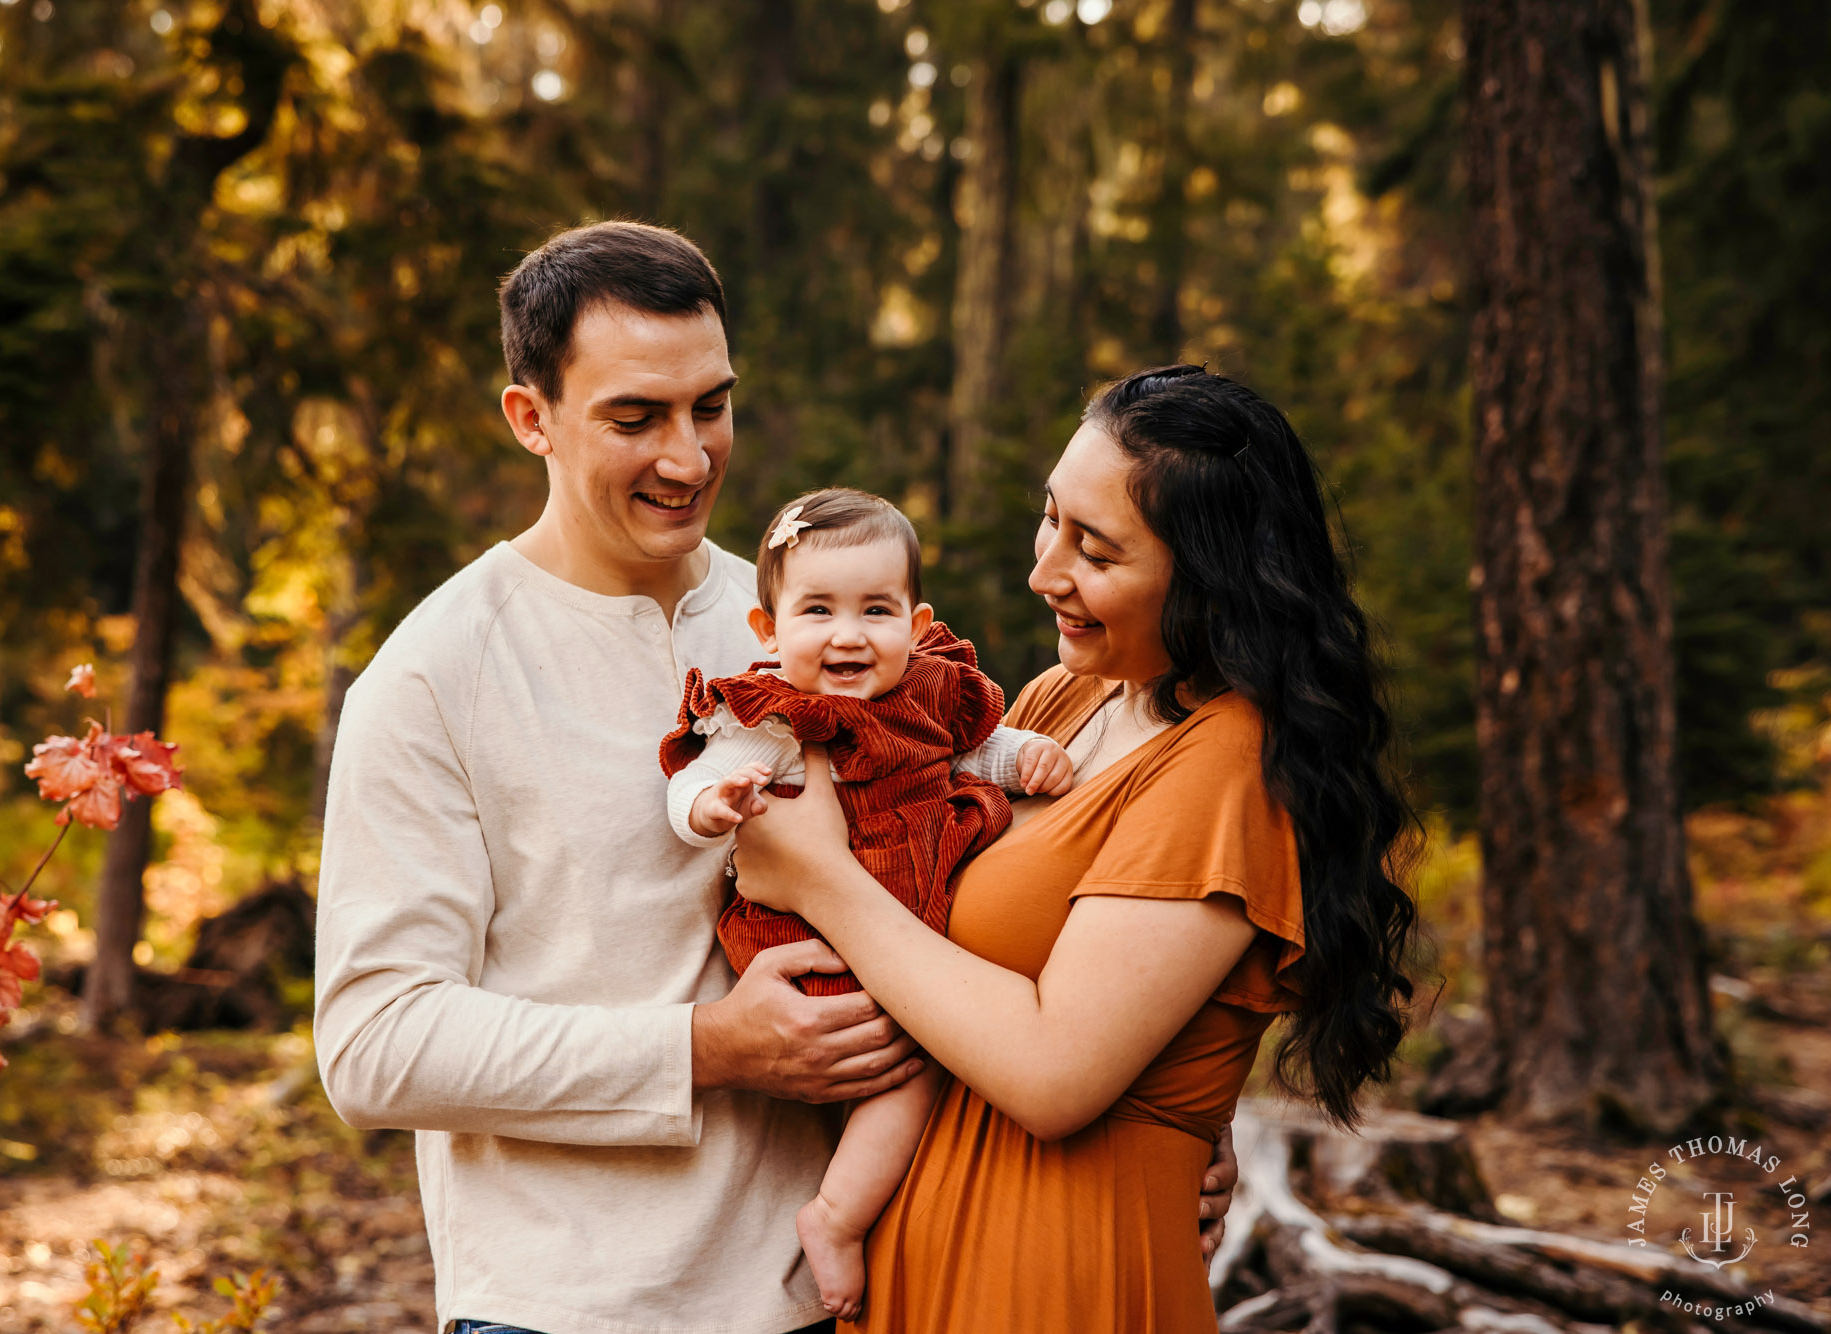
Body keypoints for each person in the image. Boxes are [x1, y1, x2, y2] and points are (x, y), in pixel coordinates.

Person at [313, 222, 1237, 1334]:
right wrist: (708, 1049)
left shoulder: (817, 619)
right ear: (530, 420)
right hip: (571, 1306)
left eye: (710, 405)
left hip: (834, 1293)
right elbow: (374, 1044)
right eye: (634, 417)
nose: (688, 458)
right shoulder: (431, 678)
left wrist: (1170, 1111)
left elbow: (997, 883)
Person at [732, 366, 1421, 1332]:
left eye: (1095, 551)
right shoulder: (1074, 695)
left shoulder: (1231, 765)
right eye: (1051, 519)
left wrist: (818, 879)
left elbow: (1056, 1075)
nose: (1045, 571)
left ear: (1209, 577)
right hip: (919, 1255)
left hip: (1057, 1274)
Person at [661, 488, 1073, 1318]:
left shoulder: (927, 693)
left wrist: (1029, 756)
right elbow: (693, 781)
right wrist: (713, 808)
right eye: (817, 610)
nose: (848, 634)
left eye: (875, 609)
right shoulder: (770, 715)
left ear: (917, 624)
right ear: (769, 631)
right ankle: (837, 1217)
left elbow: (976, 753)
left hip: (911, 918)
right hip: (819, 947)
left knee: (948, 1054)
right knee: (908, 1070)